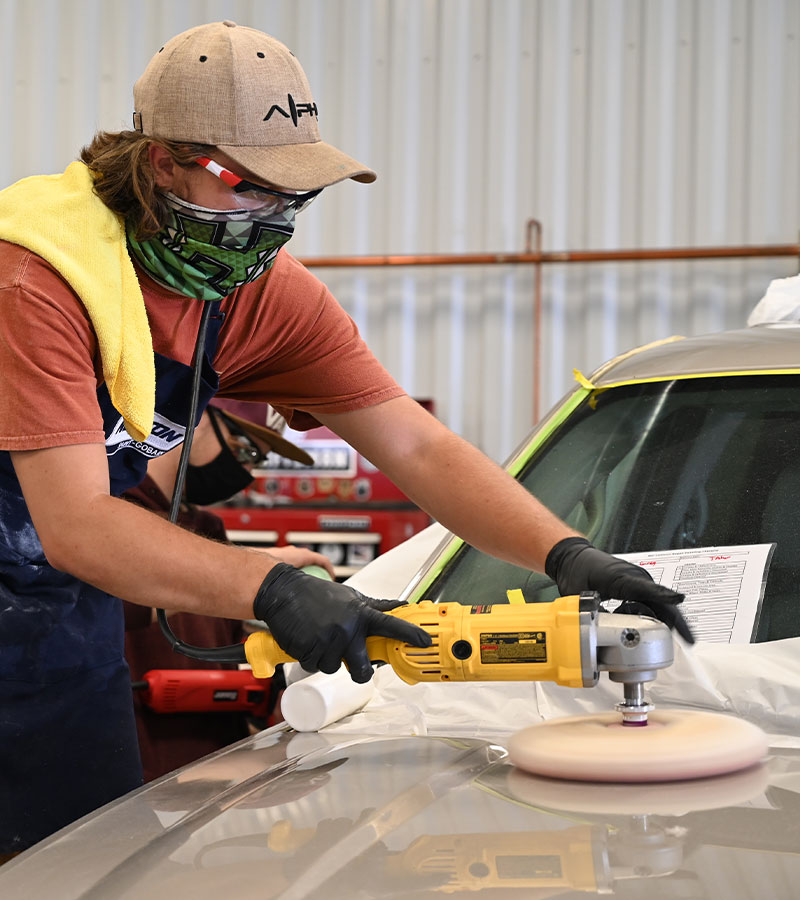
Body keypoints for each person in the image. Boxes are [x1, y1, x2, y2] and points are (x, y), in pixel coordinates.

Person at [0, 20, 690, 854]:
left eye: (295, 195)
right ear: (162, 163)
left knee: (76, 860)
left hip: (54, 618)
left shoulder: (256, 295)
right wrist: (272, 589)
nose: (275, 219)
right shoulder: (36, 277)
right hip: (62, 549)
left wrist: (566, 553)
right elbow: (76, 523)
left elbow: (416, 447)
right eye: (248, 186)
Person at [123, 401, 334, 782]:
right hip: (139, 784)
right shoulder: (108, 515)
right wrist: (264, 569)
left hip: (213, 775)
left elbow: (224, 655)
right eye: (245, 451)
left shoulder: (205, 527)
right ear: (197, 415)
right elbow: (127, 594)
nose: (247, 473)